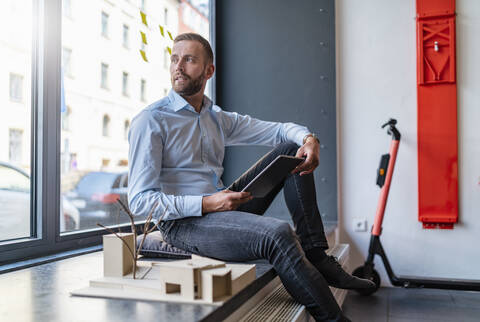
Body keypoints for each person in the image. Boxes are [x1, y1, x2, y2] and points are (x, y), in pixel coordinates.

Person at [128, 33, 373, 321]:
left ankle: (317, 255)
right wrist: (207, 204)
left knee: (293, 149)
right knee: (278, 233)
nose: (178, 66)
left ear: (209, 71)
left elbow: (280, 130)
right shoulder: (151, 120)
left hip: (222, 207)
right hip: (184, 224)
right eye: (174, 59)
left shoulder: (215, 117)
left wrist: (309, 138)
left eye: (189, 59)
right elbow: (140, 202)